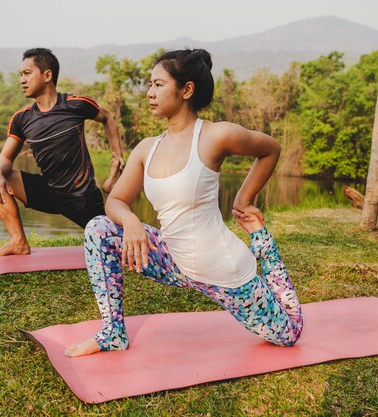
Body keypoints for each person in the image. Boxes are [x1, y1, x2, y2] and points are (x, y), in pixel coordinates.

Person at [64, 49, 303, 357]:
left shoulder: (216, 135)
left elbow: (270, 149)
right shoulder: (147, 148)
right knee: (98, 229)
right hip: (173, 262)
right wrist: (132, 221)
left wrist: (244, 200)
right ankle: (113, 333)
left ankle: (263, 242)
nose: (149, 93)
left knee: (289, 335)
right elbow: (116, 201)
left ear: (186, 90)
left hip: (224, 273)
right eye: (150, 84)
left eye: (158, 84)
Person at [0, 48, 125, 256]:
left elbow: (107, 118)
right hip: (49, 192)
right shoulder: (21, 119)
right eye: (20, 75)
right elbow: (5, 157)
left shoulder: (76, 105)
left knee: (120, 247)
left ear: (47, 75)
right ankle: (18, 241)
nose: (22, 80)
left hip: (82, 197)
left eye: (27, 73)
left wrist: (117, 156)